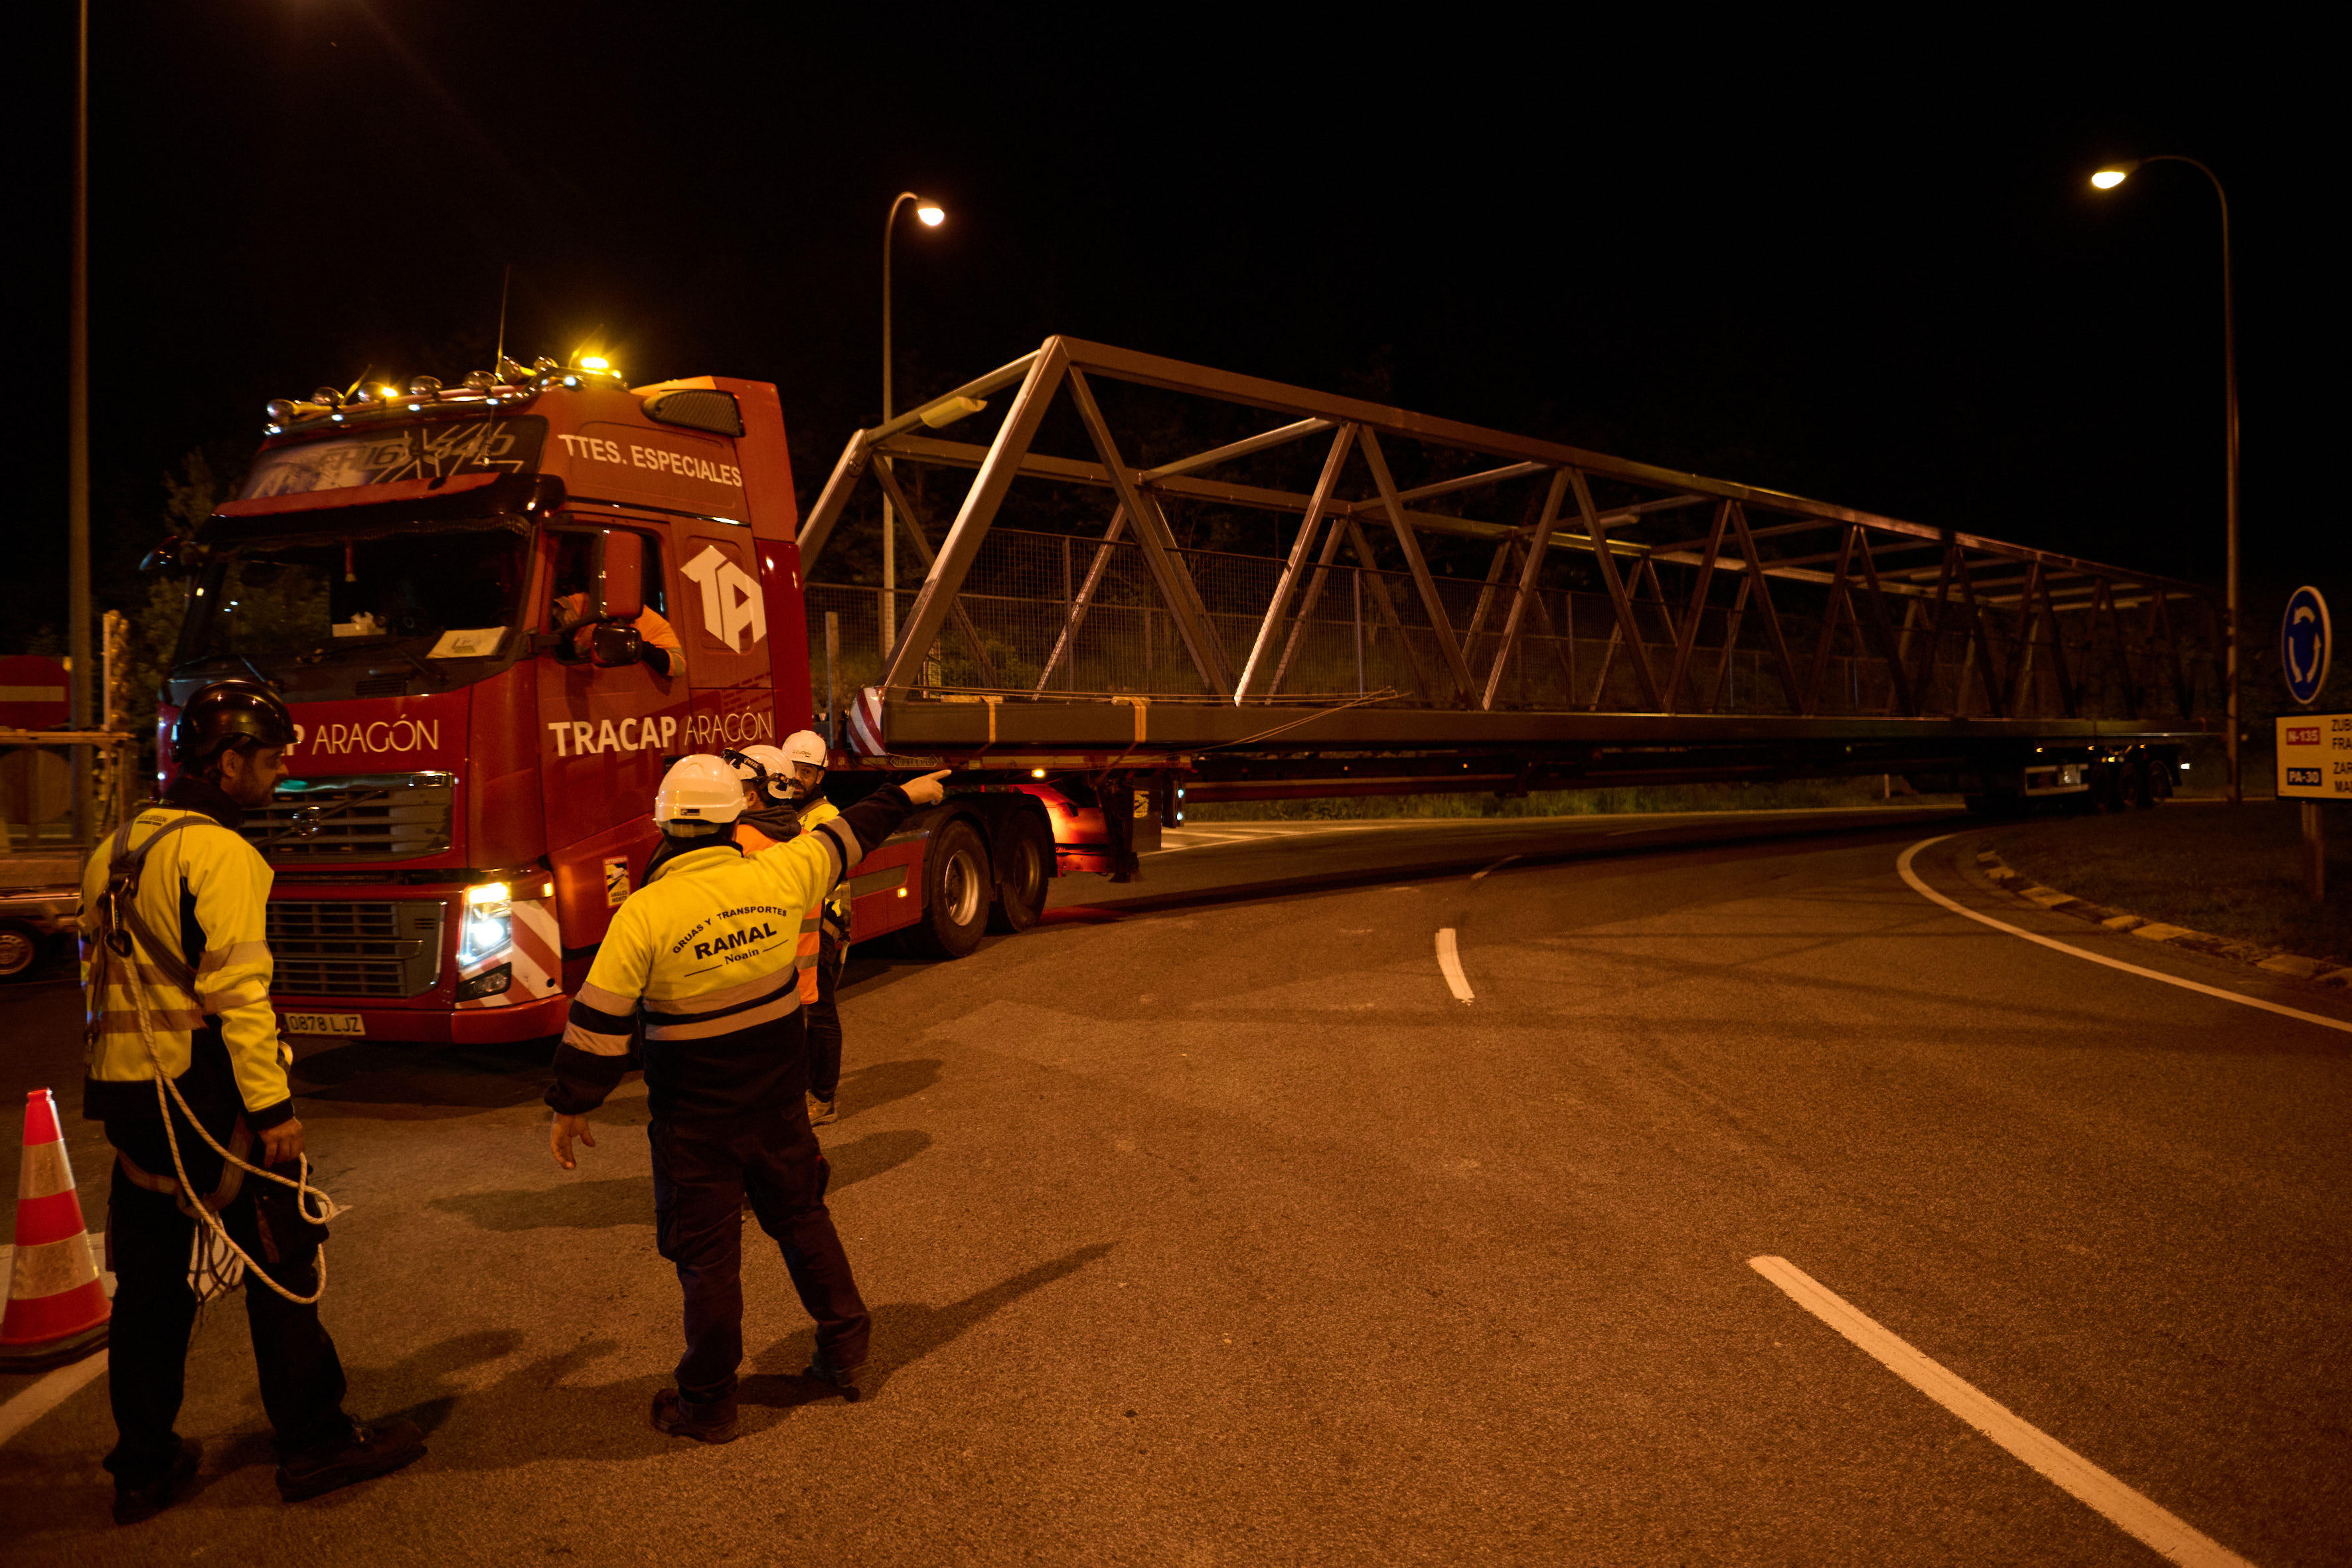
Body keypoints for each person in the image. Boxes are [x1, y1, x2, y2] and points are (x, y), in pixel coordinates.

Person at [80, 679, 424, 1524]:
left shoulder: (112, 847)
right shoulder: (221, 853)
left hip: (127, 1098)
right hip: (207, 1094)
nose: (274, 778)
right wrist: (274, 1114)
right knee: (283, 1266)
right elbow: (240, 995)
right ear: (227, 760)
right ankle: (313, 1442)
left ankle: (143, 1466)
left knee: (152, 1289)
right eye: (267, 762)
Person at [545, 755, 949, 1443]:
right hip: (779, 1105)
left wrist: (572, 1103)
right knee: (801, 1218)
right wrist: (905, 793)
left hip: (695, 1121)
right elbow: (853, 832)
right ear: (737, 817)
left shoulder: (645, 912)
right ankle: (847, 1345)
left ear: (665, 825)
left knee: (708, 1260)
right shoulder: (782, 872)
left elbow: (600, 1020)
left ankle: (706, 1402)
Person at [728, 734, 850, 1125]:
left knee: (820, 1015)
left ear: (821, 775)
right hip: (803, 930)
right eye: (793, 770)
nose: (797, 778)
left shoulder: (822, 817)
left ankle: (823, 1097)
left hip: (824, 925)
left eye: (807, 772)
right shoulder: (791, 821)